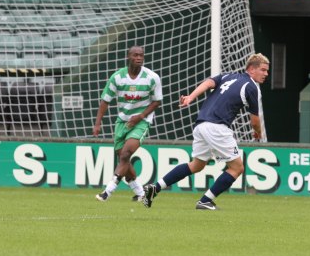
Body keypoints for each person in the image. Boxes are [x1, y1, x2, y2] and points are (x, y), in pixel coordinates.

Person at [143, 53, 269, 210]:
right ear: (251, 69)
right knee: (237, 168)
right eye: (263, 70)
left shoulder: (228, 76)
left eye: (267, 71)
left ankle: (155, 187)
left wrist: (191, 97)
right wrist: (258, 133)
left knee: (196, 165)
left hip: (201, 124)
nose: (266, 74)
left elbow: (209, 83)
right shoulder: (251, 86)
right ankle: (206, 200)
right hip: (217, 127)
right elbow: (255, 120)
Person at [93, 46, 163, 202]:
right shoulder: (117, 77)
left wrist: (141, 116)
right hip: (123, 121)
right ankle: (141, 193)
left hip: (141, 122)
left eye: (141, 55)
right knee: (123, 159)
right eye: (135, 55)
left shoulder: (152, 77)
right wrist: (97, 124)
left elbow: (157, 101)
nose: (139, 58)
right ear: (128, 57)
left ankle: (108, 191)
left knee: (125, 154)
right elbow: (105, 101)